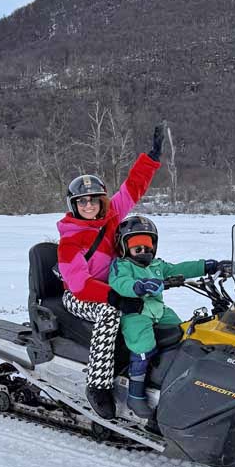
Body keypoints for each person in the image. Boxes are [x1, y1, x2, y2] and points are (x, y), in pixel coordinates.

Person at [57, 124, 164, 420]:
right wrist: (115, 298)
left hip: (114, 288)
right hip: (80, 296)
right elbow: (79, 284)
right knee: (111, 314)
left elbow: (133, 187)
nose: (89, 205)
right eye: (82, 201)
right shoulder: (70, 240)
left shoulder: (111, 216)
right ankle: (98, 384)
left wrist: (151, 159)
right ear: (74, 205)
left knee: (149, 304)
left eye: (93, 199)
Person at [108, 215, 233, 420]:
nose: (143, 251)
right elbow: (120, 283)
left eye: (147, 246)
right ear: (123, 247)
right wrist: (139, 286)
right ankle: (135, 394)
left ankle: (170, 374)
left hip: (158, 310)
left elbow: (178, 269)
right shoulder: (122, 266)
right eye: (136, 247)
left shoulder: (157, 265)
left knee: (183, 331)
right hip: (136, 313)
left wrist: (209, 266)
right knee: (144, 346)